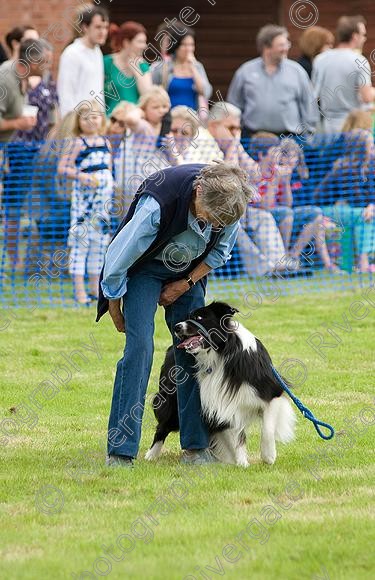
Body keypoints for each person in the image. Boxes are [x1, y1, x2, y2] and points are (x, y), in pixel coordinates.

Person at [96, 162, 255, 467]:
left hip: (188, 271)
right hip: (142, 270)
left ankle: (196, 448)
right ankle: (120, 451)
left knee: (195, 353)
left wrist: (185, 284)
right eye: (211, 219)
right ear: (198, 193)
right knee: (139, 349)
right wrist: (115, 310)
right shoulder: (158, 204)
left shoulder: (230, 204)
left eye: (222, 223)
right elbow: (117, 259)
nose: (215, 226)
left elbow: (219, 252)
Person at [250, 134, 339, 272]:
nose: (278, 158)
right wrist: (274, 182)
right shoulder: (255, 173)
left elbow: (287, 203)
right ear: (262, 155)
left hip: (282, 212)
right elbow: (265, 206)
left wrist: (285, 182)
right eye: (276, 153)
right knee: (286, 213)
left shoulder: (279, 171)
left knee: (316, 213)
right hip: (261, 215)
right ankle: (283, 256)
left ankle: (293, 256)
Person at [0, 39, 50, 270]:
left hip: (11, 151)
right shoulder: (5, 78)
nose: (48, 66)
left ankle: (15, 261)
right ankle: (12, 261)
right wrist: (19, 122)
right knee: (10, 206)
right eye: (45, 62)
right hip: (5, 151)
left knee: (14, 204)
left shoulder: (22, 78)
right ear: (33, 61)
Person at [58, 101, 114, 304]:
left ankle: (94, 288)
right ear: (78, 121)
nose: (91, 121)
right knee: (81, 242)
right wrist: (81, 177)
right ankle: (79, 291)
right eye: (86, 117)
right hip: (84, 203)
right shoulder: (77, 143)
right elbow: (63, 168)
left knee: (99, 244)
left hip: (103, 205)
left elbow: (108, 169)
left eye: (95, 116)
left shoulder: (105, 142)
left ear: (101, 119)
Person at [227, 24, 318, 142]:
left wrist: (308, 135)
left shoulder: (297, 71)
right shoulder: (245, 72)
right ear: (267, 47)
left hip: (289, 139)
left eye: (287, 44)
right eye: (281, 45)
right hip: (253, 138)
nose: (286, 48)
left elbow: (309, 104)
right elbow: (234, 105)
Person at [314, 129, 375, 272]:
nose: (374, 149)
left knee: (367, 214)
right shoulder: (345, 167)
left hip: (347, 208)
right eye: (371, 146)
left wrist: (371, 205)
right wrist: (369, 206)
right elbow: (355, 199)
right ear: (361, 149)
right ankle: (363, 263)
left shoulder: (368, 166)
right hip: (325, 210)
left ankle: (364, 261)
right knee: (364, 215)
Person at [312, 15, 375, 133]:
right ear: (355, 36)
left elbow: (315, 94)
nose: (364, 38)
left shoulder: (320, 59)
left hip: (326, 126)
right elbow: (367, 97)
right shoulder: (360, 61)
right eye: (363, 35)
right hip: (353, 125)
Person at [57, 6, 109, 117]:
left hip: (95, 121)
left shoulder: (97, 51)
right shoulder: (72, 53)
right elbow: (66, 93)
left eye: (105, 28)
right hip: (77, 122)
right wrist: (70, 124)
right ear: (85, 27)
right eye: (98, 27)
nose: (103, 32)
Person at [152, 27, 212, 111]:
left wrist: (192, 67)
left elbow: (206, 92)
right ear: (176, 46)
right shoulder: (162, 67)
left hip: (192, 118)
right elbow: (153, 93)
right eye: (184, 45)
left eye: (191, 45)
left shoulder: (197, 66)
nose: (188, 49)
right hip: (169, 117)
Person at [103, 21, 152, 116]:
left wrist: (136, 70)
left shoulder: (143, 65)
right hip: (111, 121)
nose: (144, 46)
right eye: (140, 42)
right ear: (126, 43)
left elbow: (147, 96)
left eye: (145, 42)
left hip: (135, 121)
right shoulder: (106, 62)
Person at [14, 39, 59, 143]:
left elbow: (54, 108)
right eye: (45, 61)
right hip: (18, 144)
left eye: (49, 62)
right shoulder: (18, 79)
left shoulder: (48, 79)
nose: (47, 66)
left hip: (42, 142)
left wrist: (50, 141)